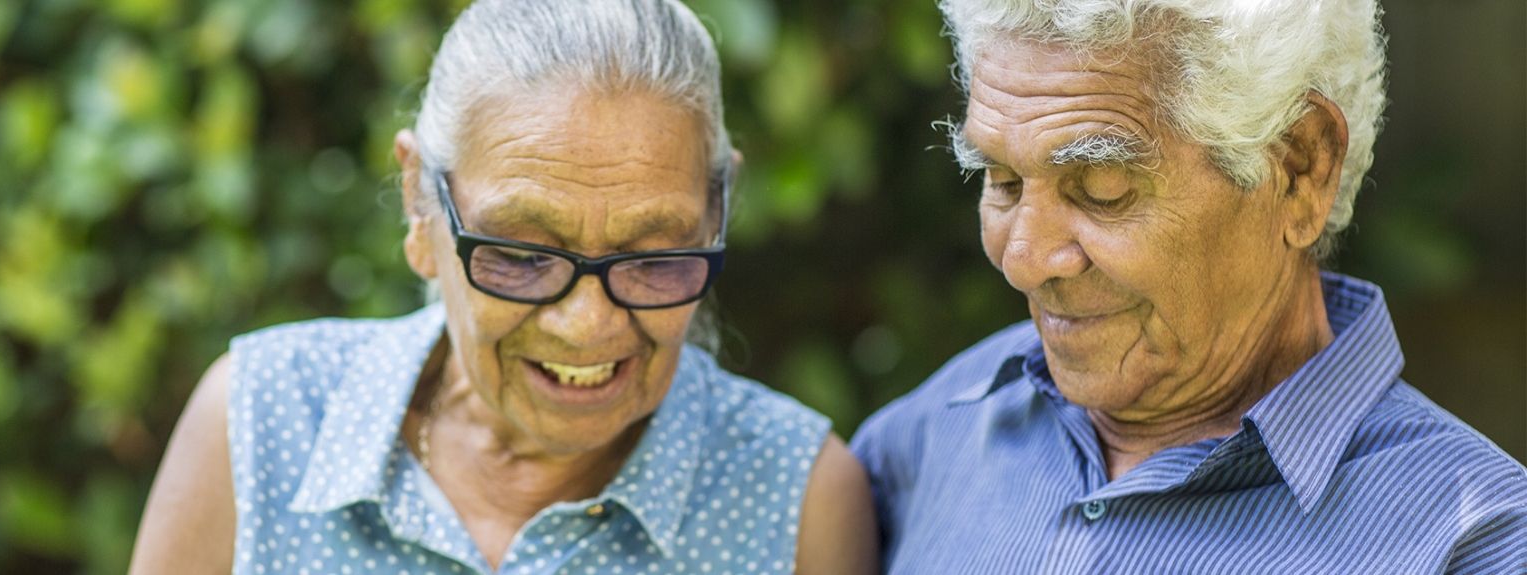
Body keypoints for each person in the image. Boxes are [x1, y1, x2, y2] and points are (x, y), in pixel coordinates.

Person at [130, 1, 879, 573]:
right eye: (521, 255)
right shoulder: (260, 418)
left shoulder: (798, 496)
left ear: (719, 213)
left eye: (653, 255)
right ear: (420, 206)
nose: (588, 324)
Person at [849, 0, 1526, 572]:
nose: (1024, 260)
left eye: (1103, 188)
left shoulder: (1475, 541)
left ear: (1298, 169)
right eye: (1001, 181)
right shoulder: (929, 434)